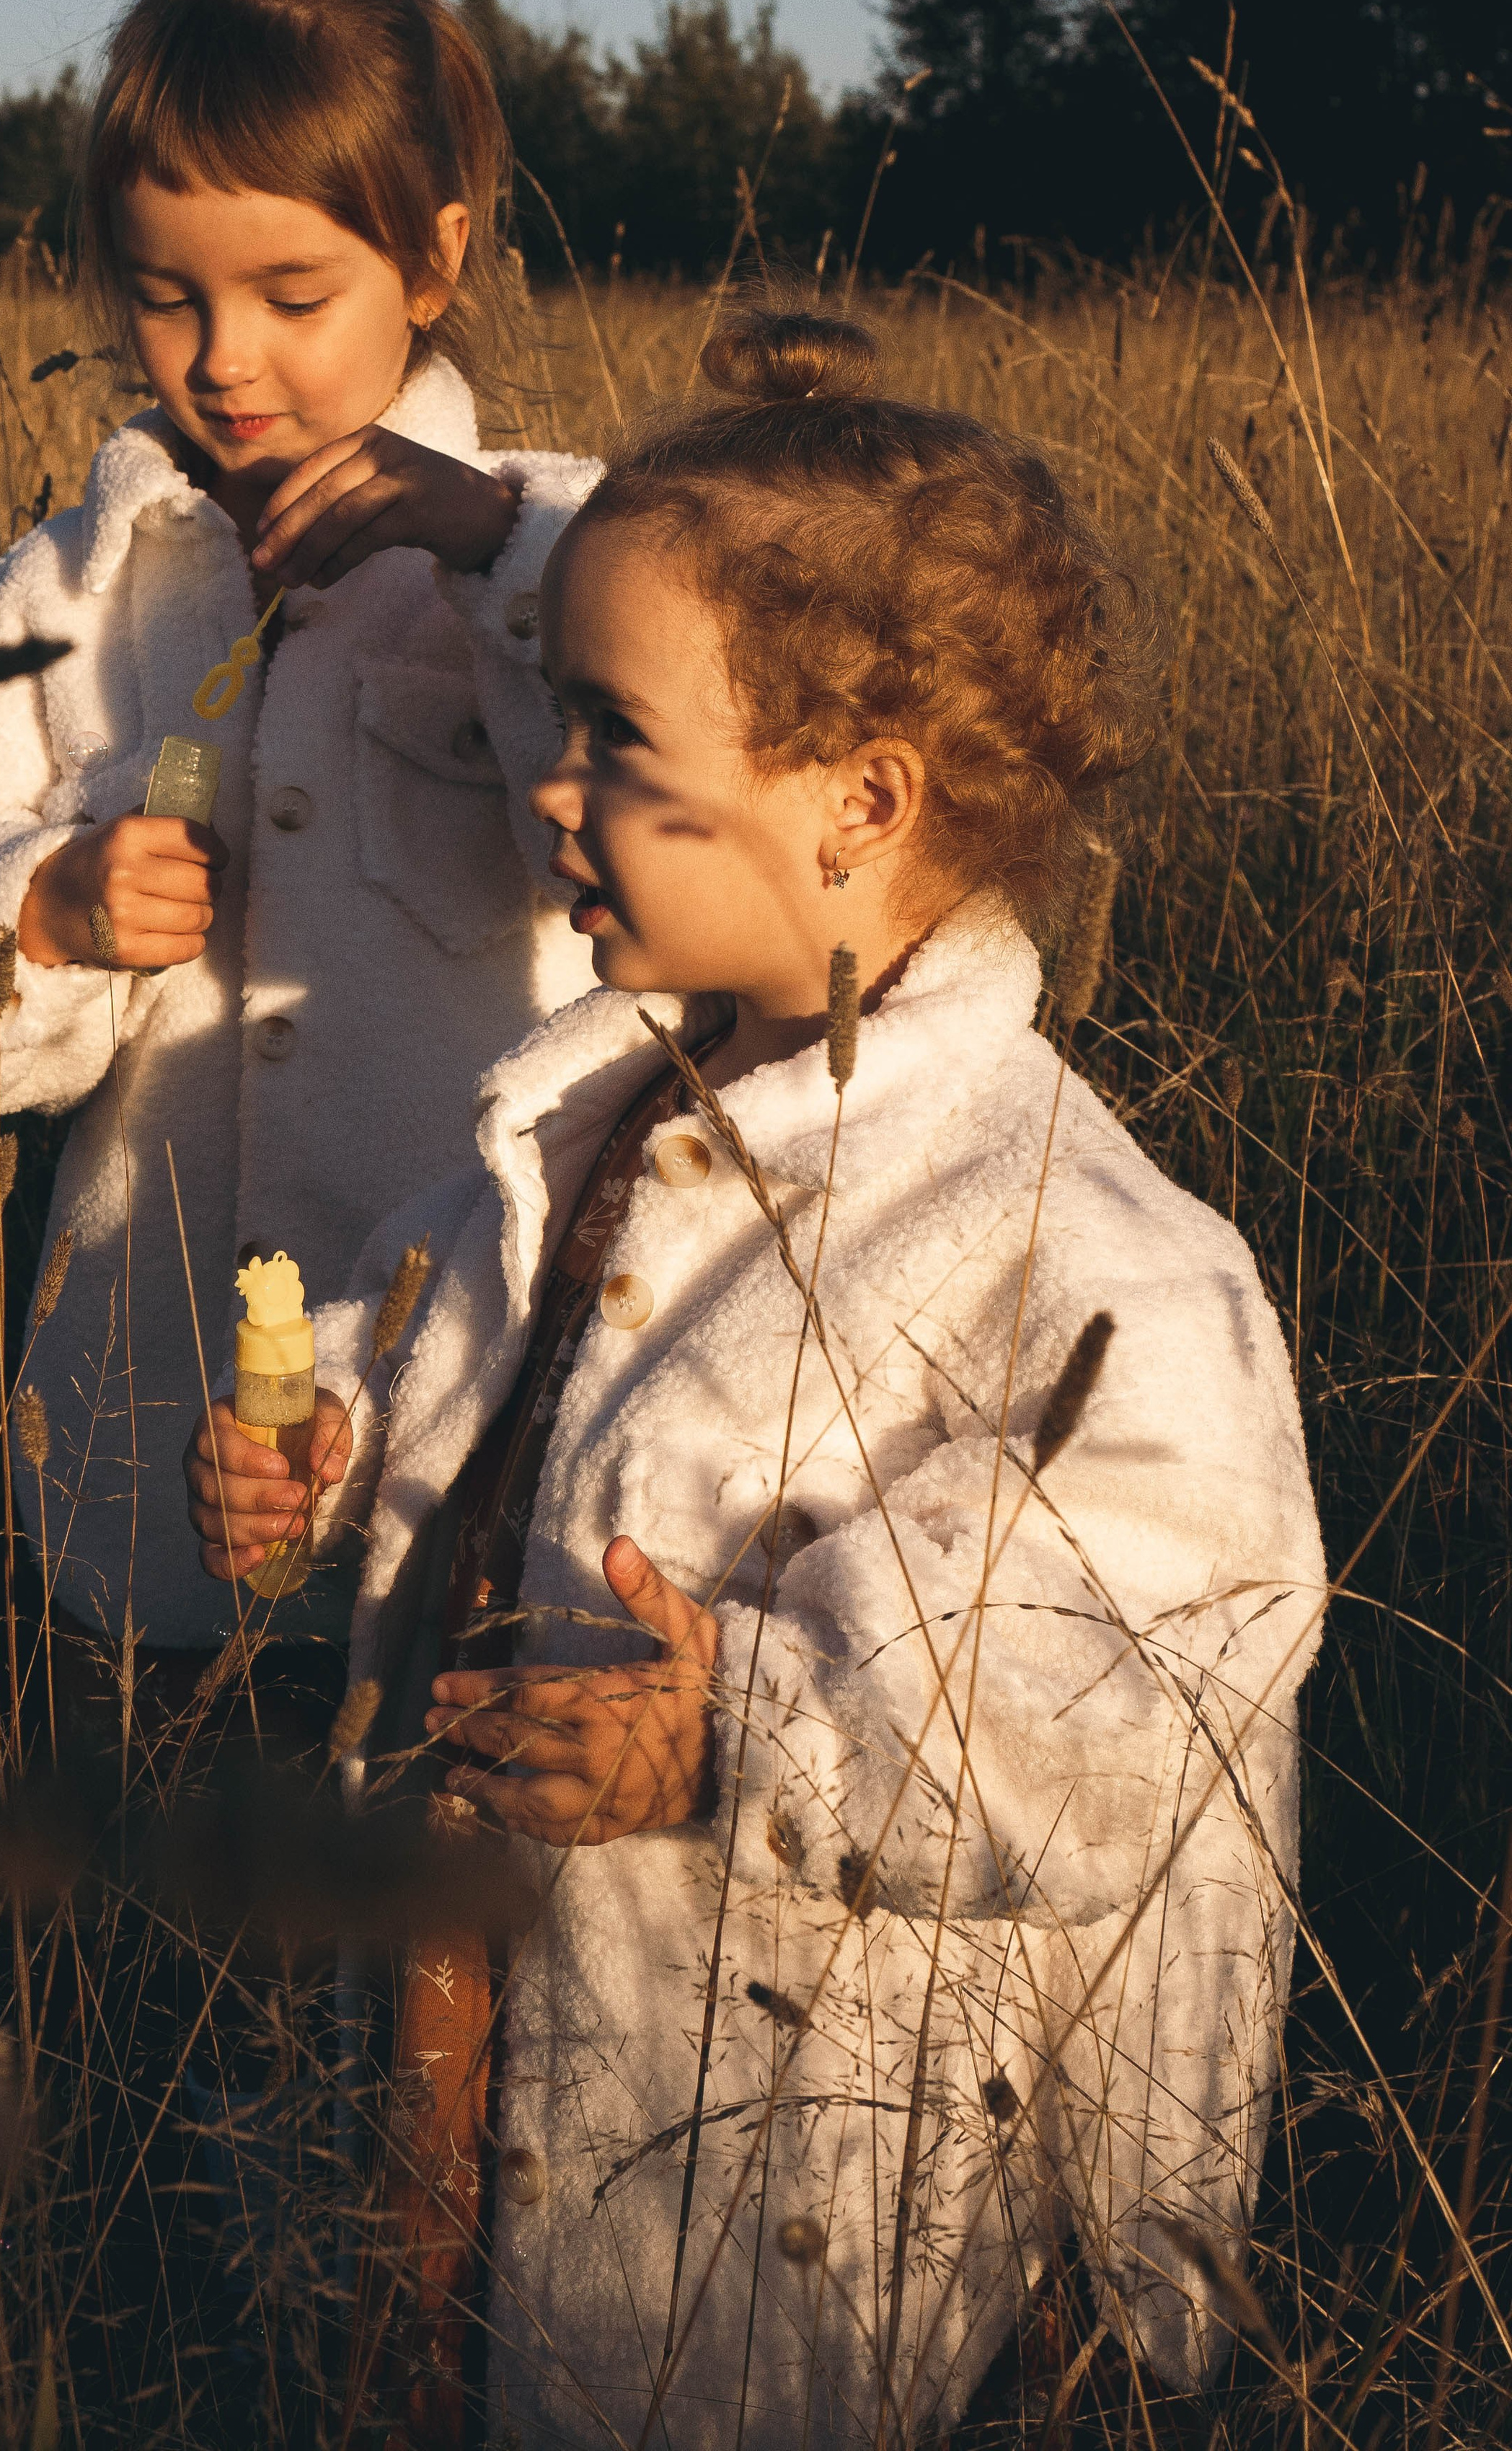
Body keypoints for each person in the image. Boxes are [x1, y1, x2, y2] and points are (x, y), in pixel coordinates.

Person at [188, 312, 1327, 2444]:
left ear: (859, 804)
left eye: (614, 735)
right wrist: (334, 1432)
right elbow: (454, 1300)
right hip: (449, 2029)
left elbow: (1126, 1686)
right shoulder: (604, 1092)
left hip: (764, 2176)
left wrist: (753, 1725)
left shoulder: (1087, 1258)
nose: (547, 784)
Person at [0, 0, 598, 1664]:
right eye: (168, 297)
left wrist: (492, 553)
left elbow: (683, 792)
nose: (225, 359)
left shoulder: (563, 552)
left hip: (459, 1437)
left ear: (435, 259)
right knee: (162, 1867)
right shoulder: (74, 591)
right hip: (133, 1439)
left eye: (294, 298)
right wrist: (34, 903)